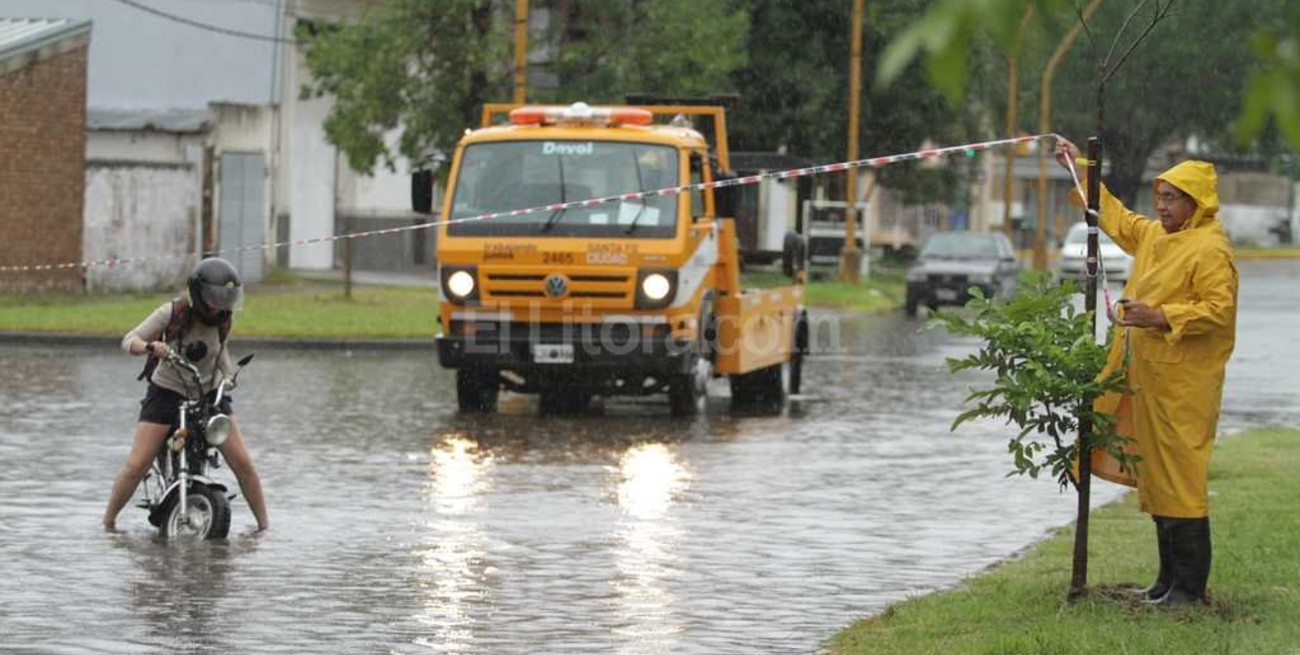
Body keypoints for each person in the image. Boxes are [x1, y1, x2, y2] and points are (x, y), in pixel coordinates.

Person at [1055, 138, 1237, 605]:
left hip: (1183, 385)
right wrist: (1083, 167)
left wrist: (1159, 316)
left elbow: (1218, 310)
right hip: (1146, 377)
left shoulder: (1210, 248)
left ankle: (1190, 590)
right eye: (1159, 195)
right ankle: (1167, 582)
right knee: (1156, 474)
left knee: (1181, 475)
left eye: (1171, 197)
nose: (1161, 204)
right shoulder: (1157, 235)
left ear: (1197, 203)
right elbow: (1117, 218)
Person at [102, 257, 269, 533]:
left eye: (227, 299)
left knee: (243, 464)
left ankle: (265, 528)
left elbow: (221, 350)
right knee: (137, 463)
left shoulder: (224, 320)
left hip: (209, 396)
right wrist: (150, 347)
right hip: (167, 393)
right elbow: (128, 340)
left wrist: (228, 377)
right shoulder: (173, 312)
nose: (221, 305)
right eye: (216, 298)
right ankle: (108, 523)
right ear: (199, 294)